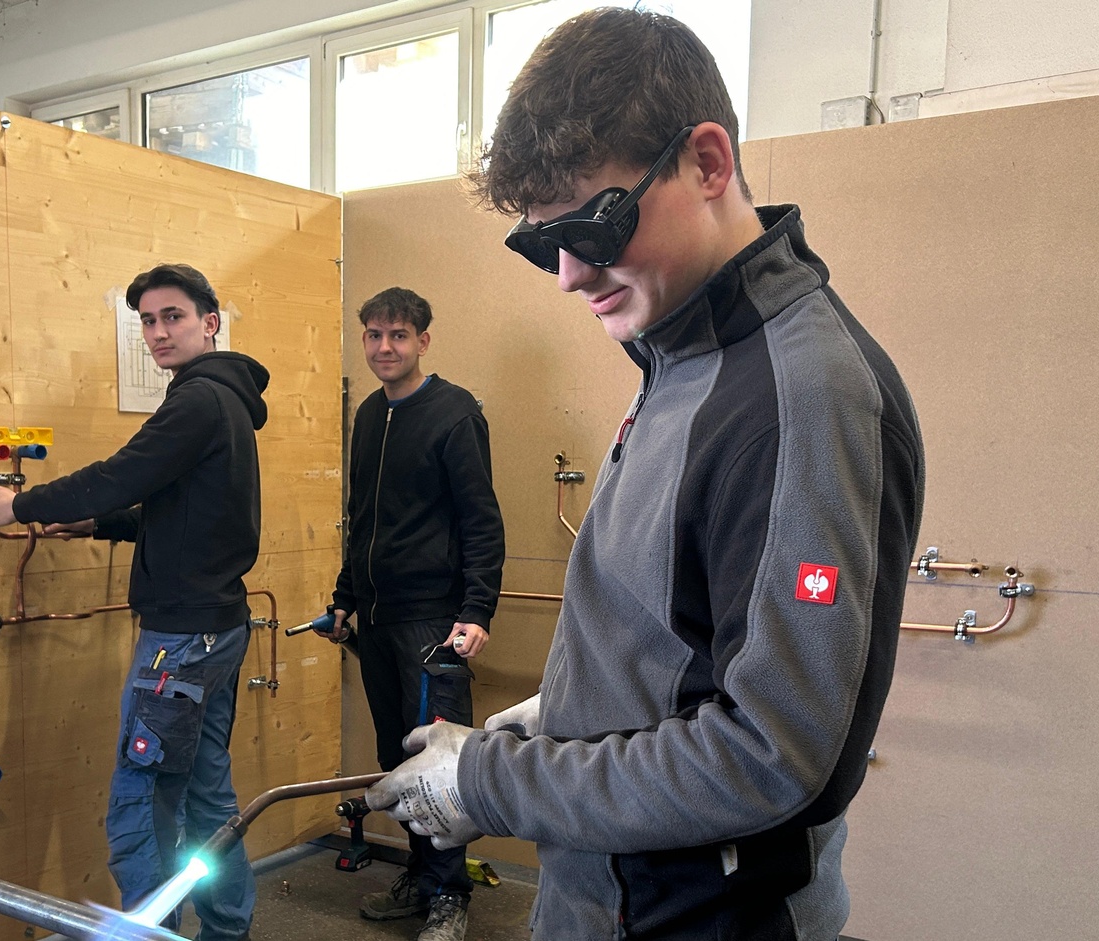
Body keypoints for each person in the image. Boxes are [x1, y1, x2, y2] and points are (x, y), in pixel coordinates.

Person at [366, 10, 927, 941]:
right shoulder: (682, 358)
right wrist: (567, 710)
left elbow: (769, 756)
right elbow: (684, 634)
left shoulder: (799, 398)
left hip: (699, 916)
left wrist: (487, 781)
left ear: (708, 163)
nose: (569, 276)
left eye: (594, 225)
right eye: (543, 244)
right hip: (616, 895)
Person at [0, 263, 267, 941]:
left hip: (181, 641)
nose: (158, 332)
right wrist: (101, 523)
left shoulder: (195, 401)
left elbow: (121, 474)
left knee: (141, 798)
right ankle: (229, 932)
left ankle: (147, 935)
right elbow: (186, 510)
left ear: (209, 323)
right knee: (206, 795)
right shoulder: (223, 402)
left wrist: (20, 503)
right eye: (147, 320)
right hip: (220, 628)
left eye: (173, 317)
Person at [327, 287, 505, 941]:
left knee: (440, 762)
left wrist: (477, 608)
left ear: (423, 340)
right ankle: (421, 876)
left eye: (397, 335)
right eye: (373, 335)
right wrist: (346, 596)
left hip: (432, 622)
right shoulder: (370, 414)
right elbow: (362, 518)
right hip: (376, 617)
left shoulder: (454, 413)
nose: (383, 347)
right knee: (393, 760)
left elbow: (481, 520)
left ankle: (450, 896)